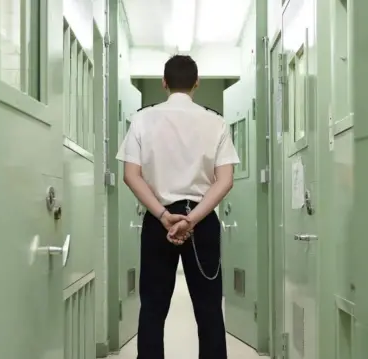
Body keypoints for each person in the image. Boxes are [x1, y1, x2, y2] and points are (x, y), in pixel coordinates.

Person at [116, 54, 240, 359]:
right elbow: (224, 180)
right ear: (196, 83)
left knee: (153, 310)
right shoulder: (216, 122)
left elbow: (131, 175)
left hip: (159, 222)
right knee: (209, 310)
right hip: (203, 222)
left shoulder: (142, 119)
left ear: (164, 83)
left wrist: (164, 216)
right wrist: (193, 219)